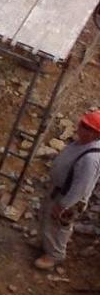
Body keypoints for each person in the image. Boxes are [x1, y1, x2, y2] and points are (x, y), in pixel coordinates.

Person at [36, 107, 100, 270]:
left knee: (58, 226)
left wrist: (64, 204)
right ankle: (45, 245)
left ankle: (54, 255)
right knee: (48, 218)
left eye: (86, 127)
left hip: (69, 198)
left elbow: (81, 186)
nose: (80, 127)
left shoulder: (91, 158)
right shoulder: (81, 143)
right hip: (59, 190)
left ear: (95, 134)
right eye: (82, 123)